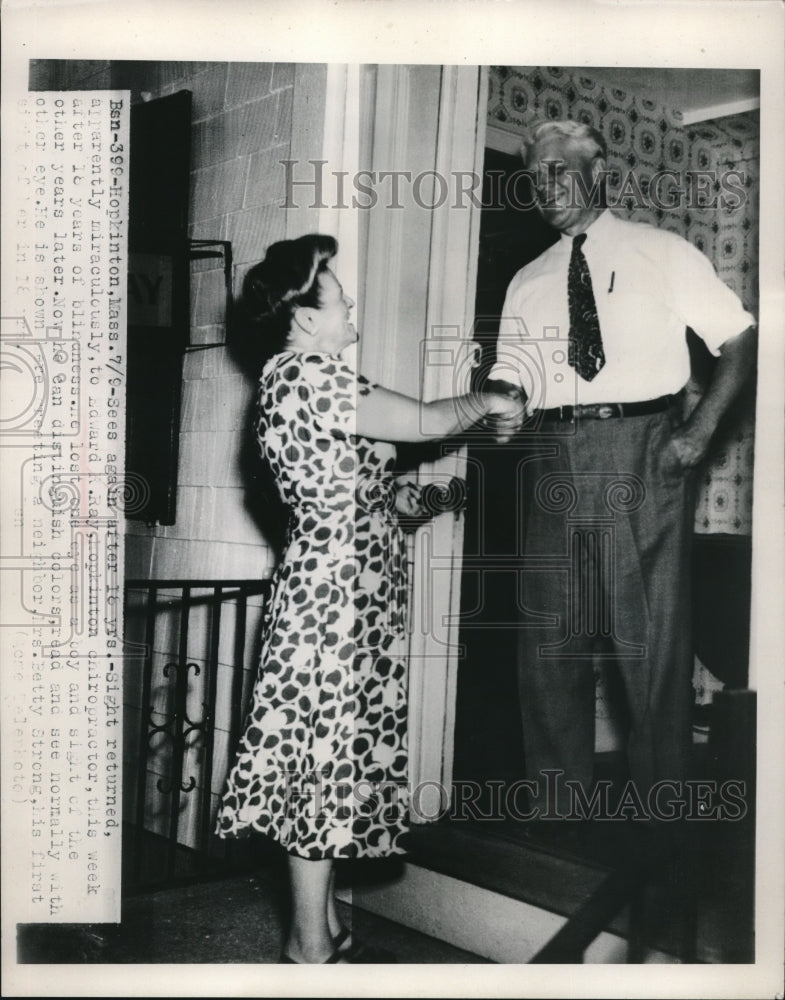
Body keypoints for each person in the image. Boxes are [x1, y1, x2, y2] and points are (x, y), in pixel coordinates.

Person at [215, 234, 523, 963]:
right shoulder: (309, 377)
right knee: (323, 769)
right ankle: (307, 945)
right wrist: (490, 396)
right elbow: (422, 420)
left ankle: (311, 929)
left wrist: (419, 501)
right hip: (337, 603)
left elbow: (350, 494)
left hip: (338, 589)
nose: (349, 299)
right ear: (301, 317)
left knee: (321, 768)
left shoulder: (287, 382)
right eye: (335, 290)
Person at [489, 120, 756, 821]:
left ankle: (662, 821)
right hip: (550, 457)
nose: (544, 184)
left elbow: (739, 339)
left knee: (650, 650)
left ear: (595, 168)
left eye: (558, 169)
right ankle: (556, 816)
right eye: (535, 175)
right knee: (548, 650)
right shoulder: (526, 280)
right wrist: (505, 407)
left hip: (642, 450)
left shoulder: (659, 251)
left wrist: (696, 433)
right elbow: (509, 377)